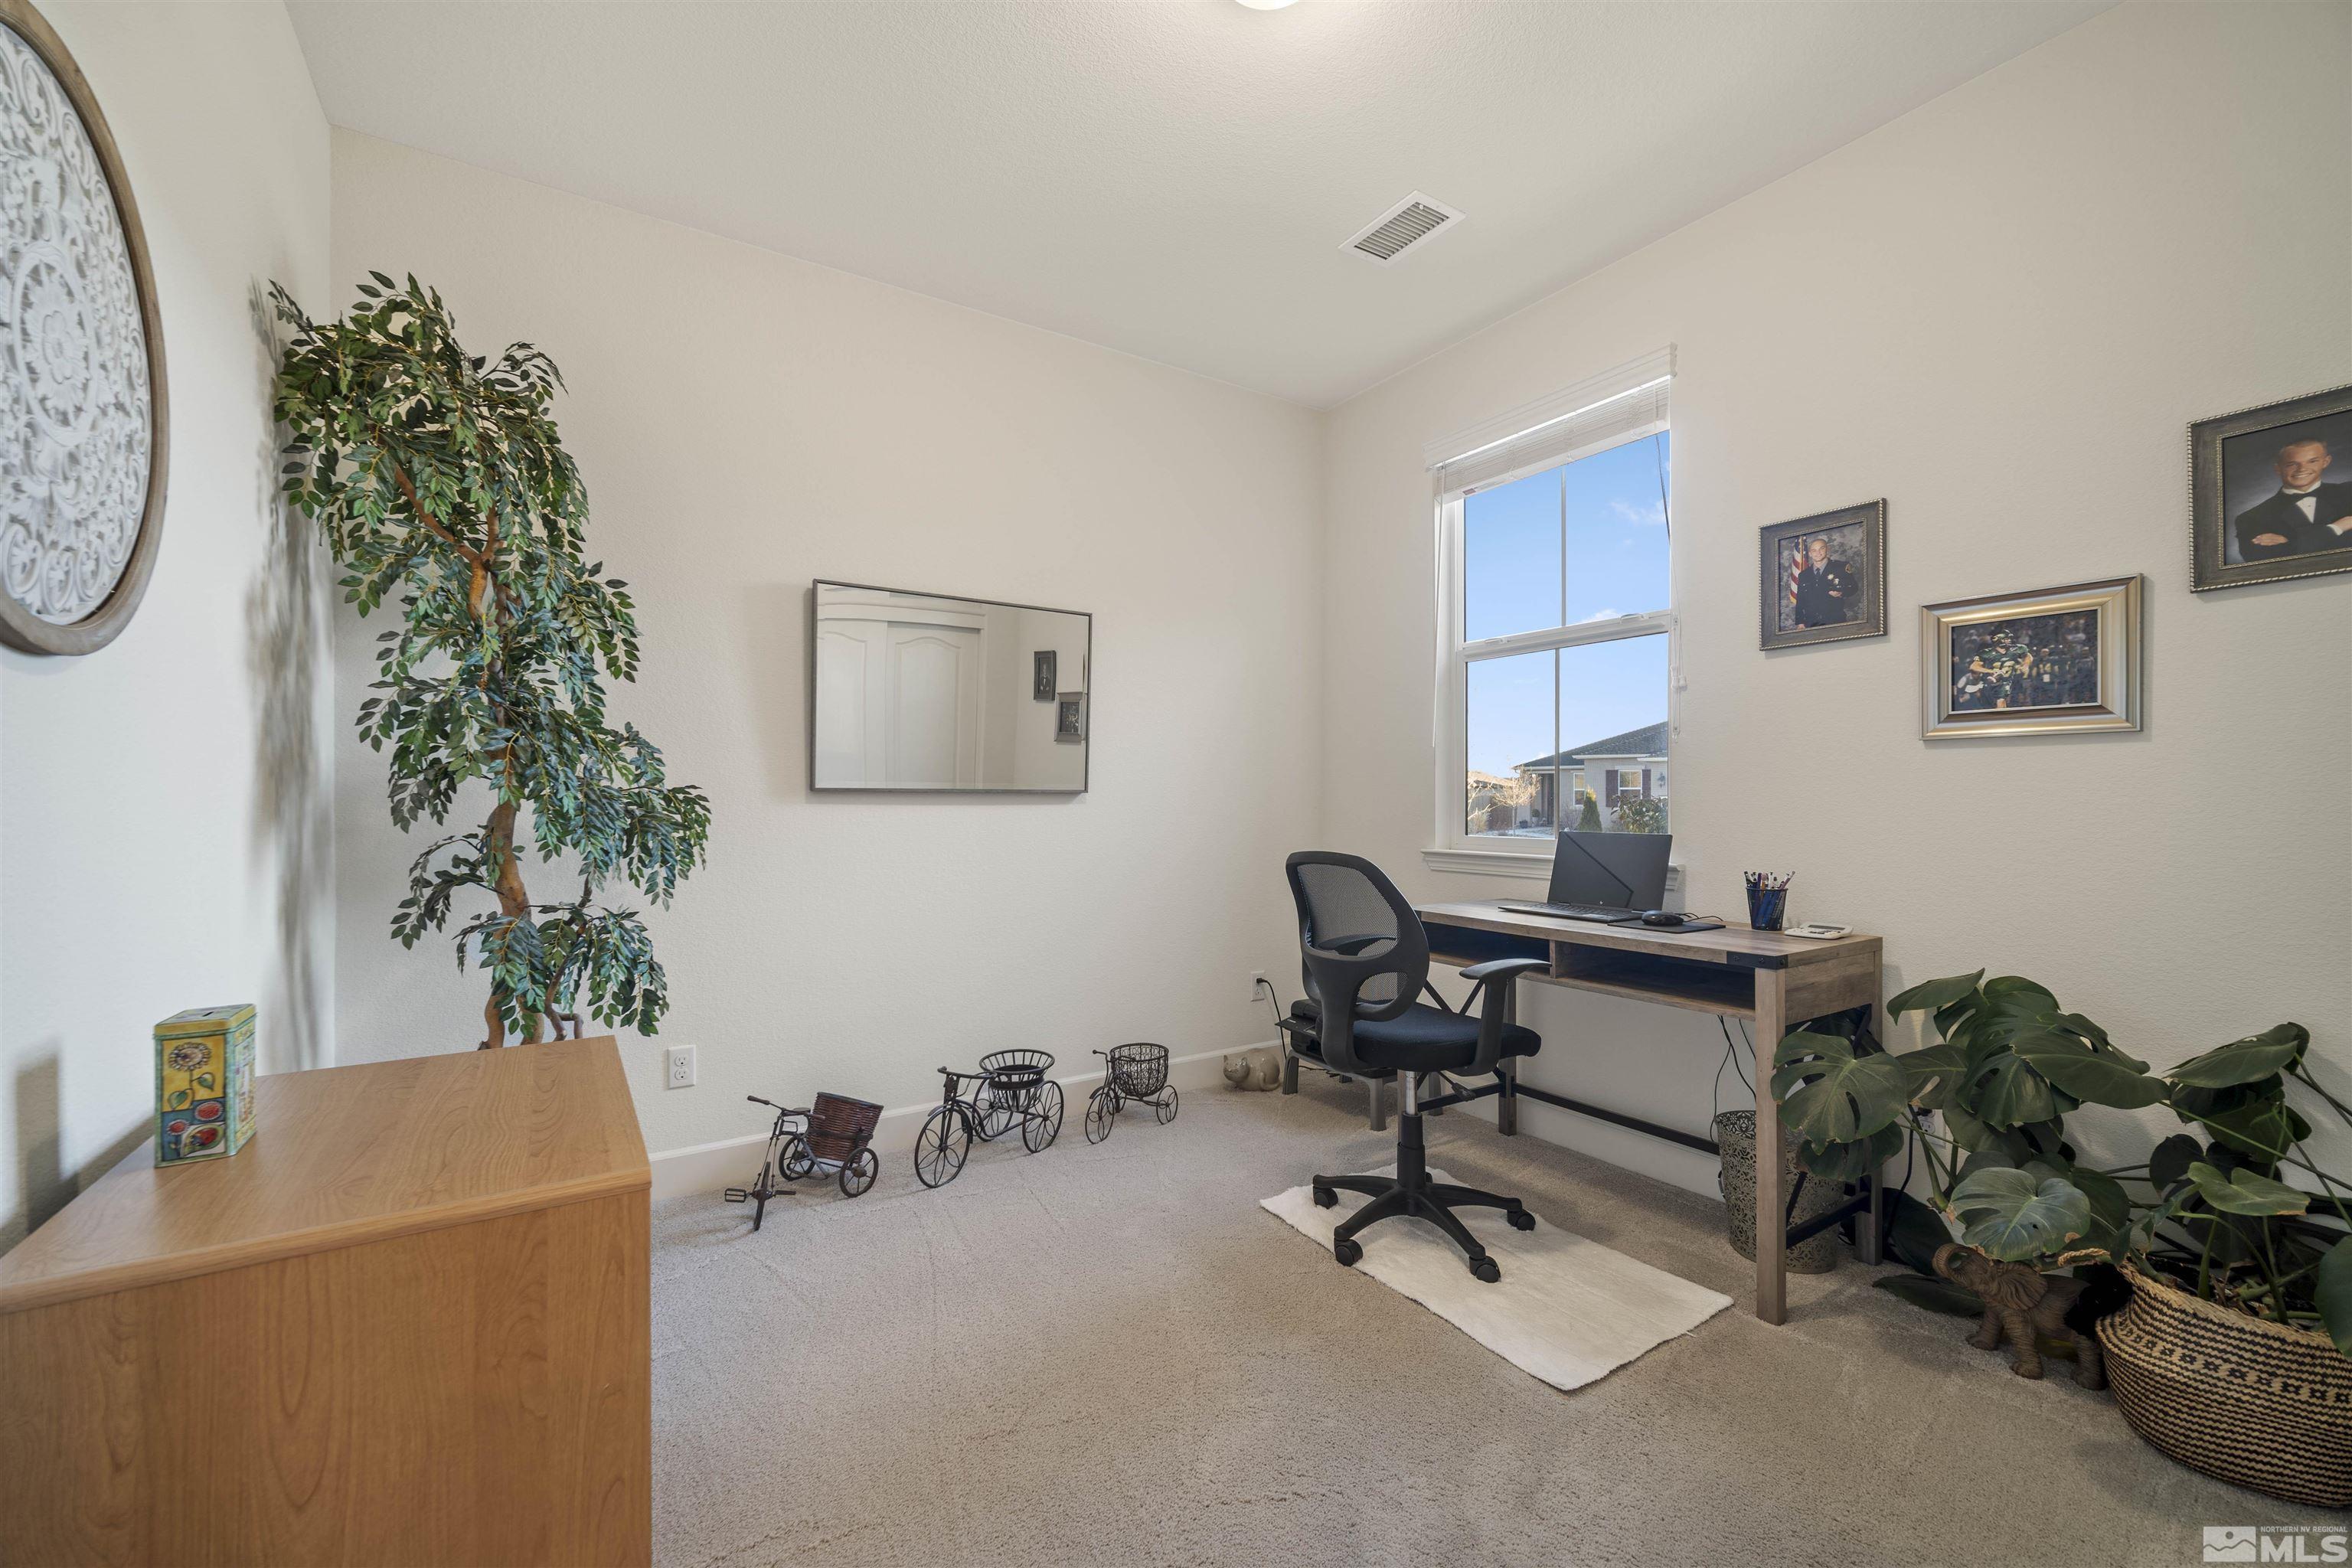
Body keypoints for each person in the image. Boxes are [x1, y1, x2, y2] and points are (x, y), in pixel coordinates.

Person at [2234, 436, 2352, 562]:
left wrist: (2289, 542)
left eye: (2312, 461)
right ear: (2278, 469)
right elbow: (2262, 562)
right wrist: (2336, 528)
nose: (2302, 469)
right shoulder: (2252, 518)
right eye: (2292, 464)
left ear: (2326, 461)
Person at [1788, 534, 1858, 627]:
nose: (1818, 553)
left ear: (1827, 549)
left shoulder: (1840, 567)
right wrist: (1800, 622)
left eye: (1821, 549)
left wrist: (1842, 592)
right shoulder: (1804, 575)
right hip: (1811, 622)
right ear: (1809, 553)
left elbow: (1854, 587)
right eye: (1814, 550)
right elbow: (1801, 600)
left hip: (1834, 620)